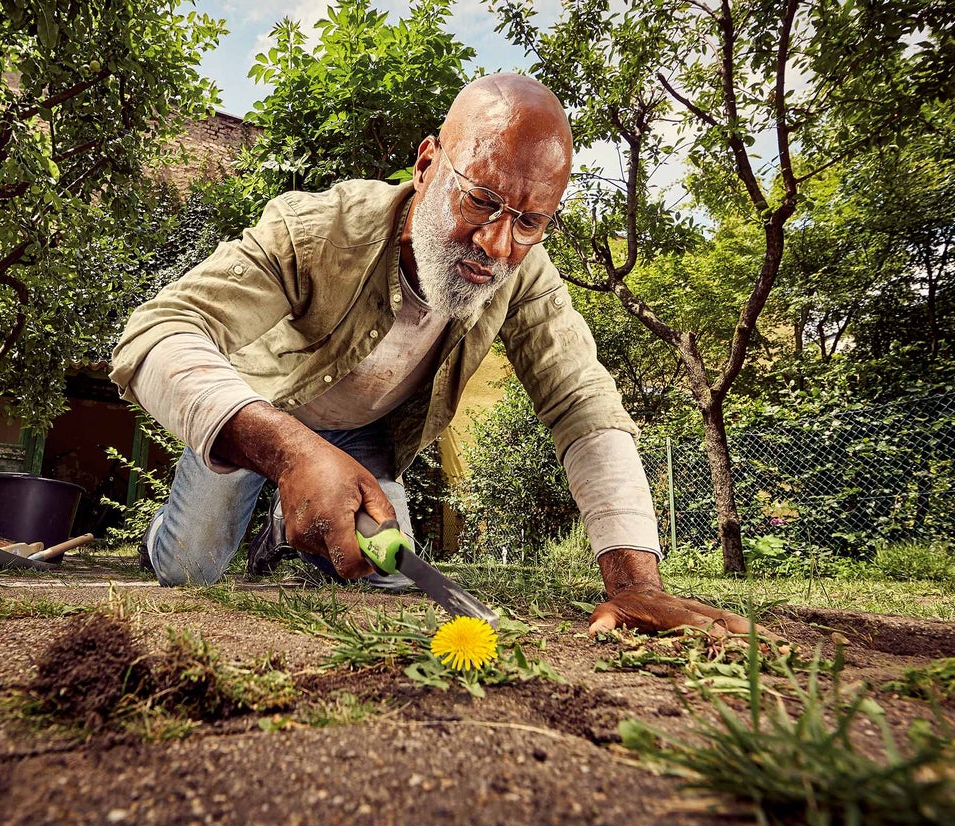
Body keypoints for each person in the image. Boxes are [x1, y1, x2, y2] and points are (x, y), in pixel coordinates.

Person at [110, 73, 755, 636]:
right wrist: (290, 452)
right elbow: (153, 332)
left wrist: (634, 582)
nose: (499, 245)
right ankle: (171, 534)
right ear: (426, 166)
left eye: (529, 222)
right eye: (480, 199)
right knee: (190, 569)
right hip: (262, 416)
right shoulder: (313, 229)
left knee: (390, 575)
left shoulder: (525, 275)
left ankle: (286, 529)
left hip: (361, 438)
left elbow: (581, 399)